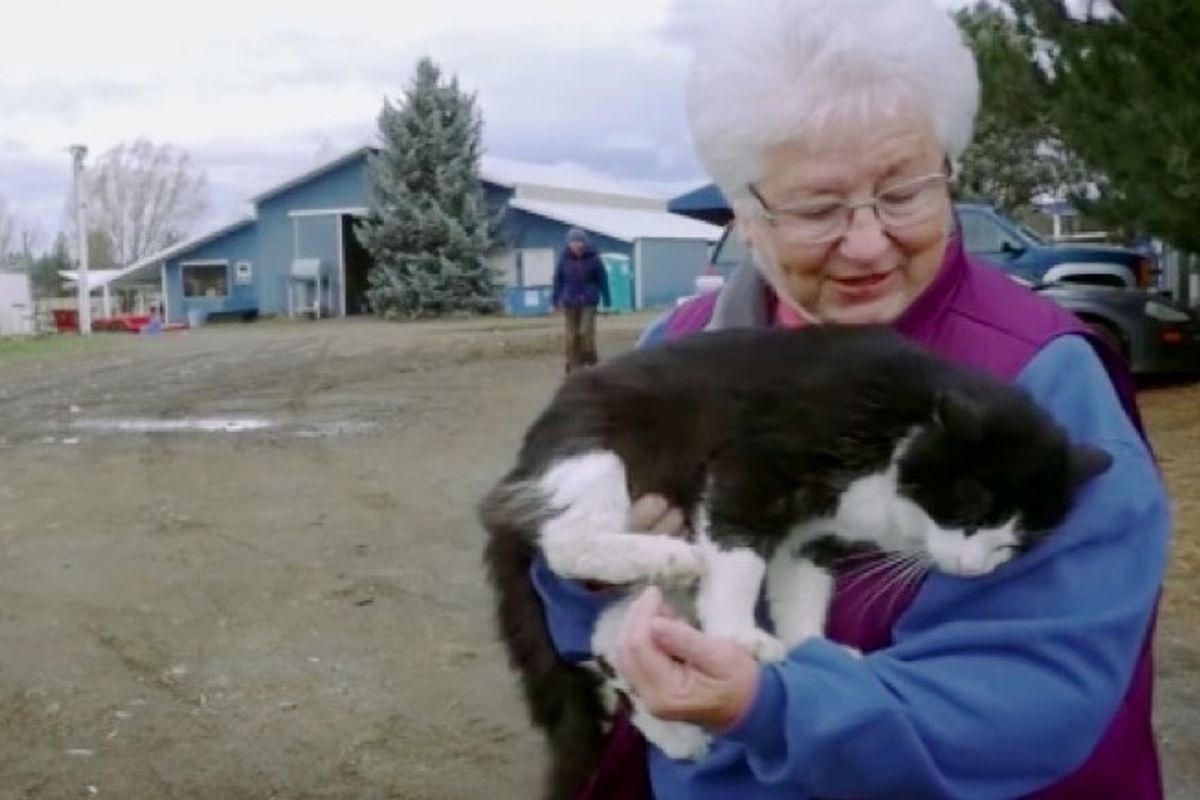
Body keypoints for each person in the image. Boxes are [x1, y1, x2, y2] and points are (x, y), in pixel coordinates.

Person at [529, 0, 1170, 797]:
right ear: (746, 213)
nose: (868, 242)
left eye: (904, 192)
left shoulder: (1041, 378)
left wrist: (772, 705)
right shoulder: (683, 347)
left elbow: (1033, 694)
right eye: (818, 208)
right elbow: (562, 590)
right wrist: (592, 576)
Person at [552, 228, 611, 372]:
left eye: (579, 242)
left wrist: (607, 301)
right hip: (570, 301)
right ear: (569, 244)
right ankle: (573, 365)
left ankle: (590, 362)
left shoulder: (594, 258)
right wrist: (555, 300)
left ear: (584, 243)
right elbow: (558, 279)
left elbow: (602, 279)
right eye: (573, 242)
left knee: (585, 333)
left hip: (589, 301)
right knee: (572, 336)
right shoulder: (564, 258)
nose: (577, 245)